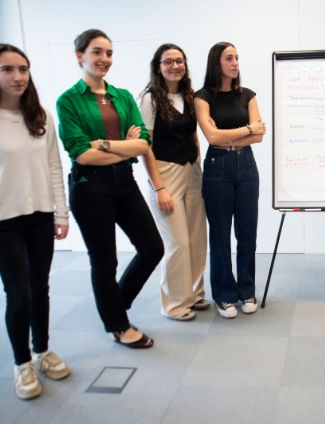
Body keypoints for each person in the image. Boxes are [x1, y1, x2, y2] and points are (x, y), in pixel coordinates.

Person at [56, 29, 163, 348]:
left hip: (124, 181)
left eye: (109, 53)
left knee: (152, 248)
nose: (105, 59)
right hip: (90, 186)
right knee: (104, 260)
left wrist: (103, 143)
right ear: (80, 56)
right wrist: (125, 147)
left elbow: (143, 143)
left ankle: (115, 303)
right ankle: (118, 325)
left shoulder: (123, 96)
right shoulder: (68, 100)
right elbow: (81, 153)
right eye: (97, 52)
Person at [0, 44, 70, 400]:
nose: (18, 77)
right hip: (4, 221)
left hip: (40, 215)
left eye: (23, 69)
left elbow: (55, 166)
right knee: (19, 294)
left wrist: (61, 212)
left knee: (40, 287)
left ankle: (42, 350)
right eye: (8, 69)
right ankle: (22, 363)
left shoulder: (41, 116)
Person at [194, 42, 265, 319]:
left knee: (247, 233)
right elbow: (212, 137)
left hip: (246, 166)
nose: (235, 63)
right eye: (229, 58)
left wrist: (230, 135)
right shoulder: (203, 97)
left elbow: (259, 136)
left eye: (236, 58)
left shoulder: (248, 95)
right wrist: (247, 128)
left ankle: (247, 290)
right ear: (216, 62)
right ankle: (224, 295)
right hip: (217, 168)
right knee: (220, 235)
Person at [139, 44, 209, 321]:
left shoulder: (190, 96)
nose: (175, 66)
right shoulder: (149, 99)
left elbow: (193, 136)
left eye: (179, 61)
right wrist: (158, 188)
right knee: (177, 242)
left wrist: (198, 165)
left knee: (196, 238)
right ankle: (175, 305)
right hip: (165, 173)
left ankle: (194, 293)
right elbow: (145, 146)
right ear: (158, 67)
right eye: (168, 61)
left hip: (192, 170)